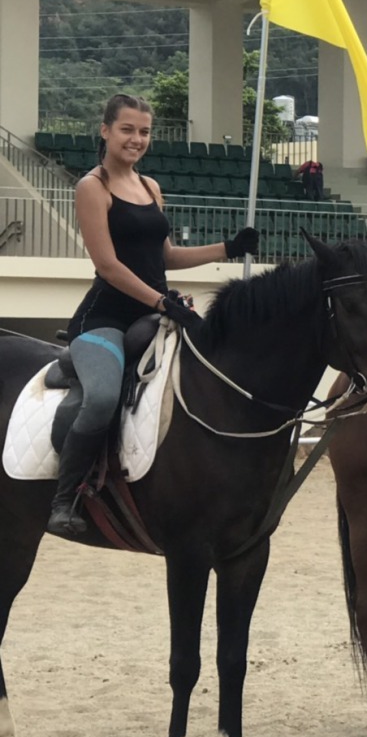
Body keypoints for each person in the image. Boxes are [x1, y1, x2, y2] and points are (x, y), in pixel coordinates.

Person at [49, 93, 259, 537]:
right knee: (104, 398)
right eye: (127, 129)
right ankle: (64, 500)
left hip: (153, 314)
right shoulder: (92, 186)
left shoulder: (150, 187)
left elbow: (165, 257)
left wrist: (227, 248)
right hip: (104, 320)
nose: (136, 139)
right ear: (105, 130)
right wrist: (161, 301)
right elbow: (108, 266)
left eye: (144, 131)